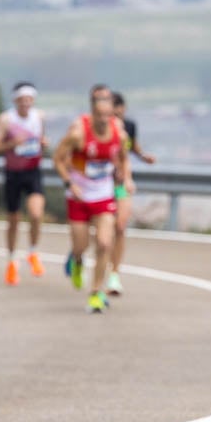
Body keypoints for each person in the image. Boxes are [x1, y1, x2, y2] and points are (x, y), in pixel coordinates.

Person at [54, 84, 128, 314]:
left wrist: (120, 173)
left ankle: (96, 292)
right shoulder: (78, 133)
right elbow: (57, 158)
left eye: (109, 115)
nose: (105, 120)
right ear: (92, 113)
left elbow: (123, 157)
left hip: (103, 194)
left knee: (105, 242)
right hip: (78, 195)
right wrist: (69, 182)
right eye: (100, 115)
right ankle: (76, 260)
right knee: (81, 245)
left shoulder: (119, 133)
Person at [0, 82, 48, 286]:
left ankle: (33, 251)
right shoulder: (6, 120)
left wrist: (42, 144)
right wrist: (12, 144)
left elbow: (41, 138)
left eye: (29, 99)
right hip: (13, 173)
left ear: (33, 100)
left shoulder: (39, 116)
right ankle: (12, 259)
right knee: (13, 219)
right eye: (22, 100)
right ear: (15, 100)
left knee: (36, 213)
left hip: (33, 172)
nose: (25, 103)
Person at [108, 91, 155, 297]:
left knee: (120, 227)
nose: (117, 118)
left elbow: (130, 151)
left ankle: (114, 275)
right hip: (100, 186)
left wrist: (141, 161)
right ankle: (79, 254)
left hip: (119, 184)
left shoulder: (128, 128)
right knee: (101, 232)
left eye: (120, 113)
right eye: (113, 114)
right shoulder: (96, 128)